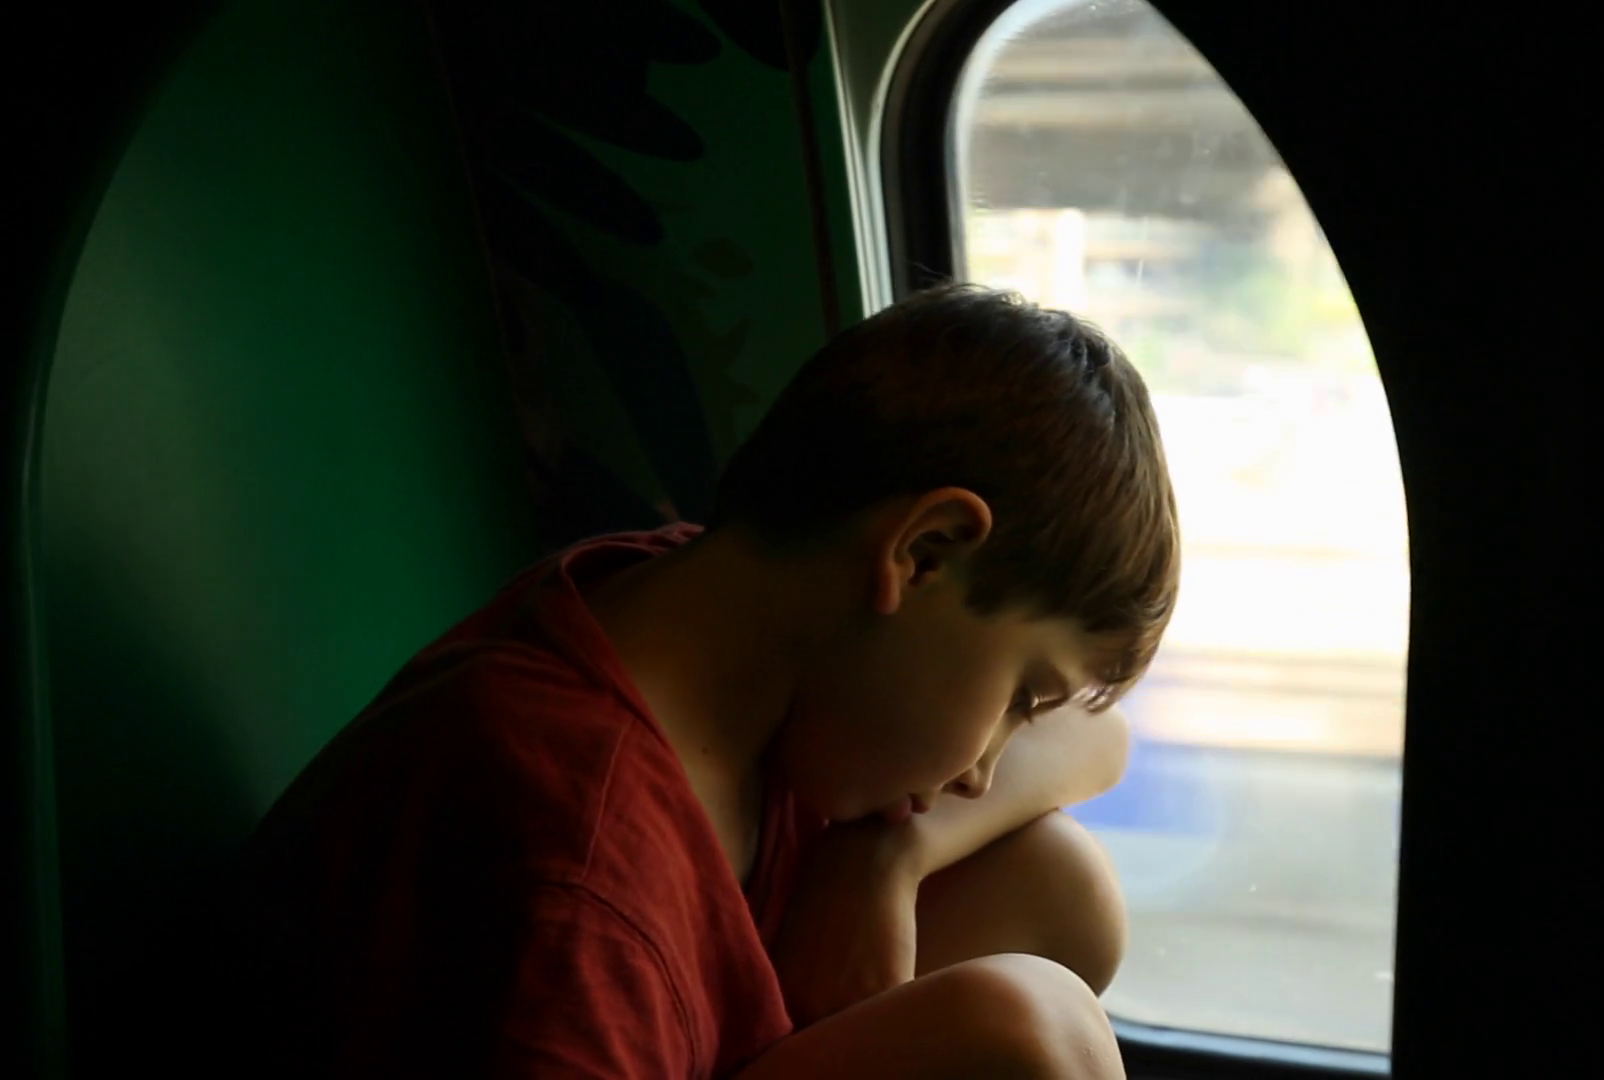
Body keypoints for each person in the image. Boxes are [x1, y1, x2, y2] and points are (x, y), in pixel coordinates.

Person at [221, 283, 1181, 1078]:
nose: (982, 769)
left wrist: (886, 857)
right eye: (1020, 697)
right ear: (924, 553)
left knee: (1060, 889)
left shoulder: (723, 607)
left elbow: (1097, 735)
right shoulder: (579, 882)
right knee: (1028, 1032)